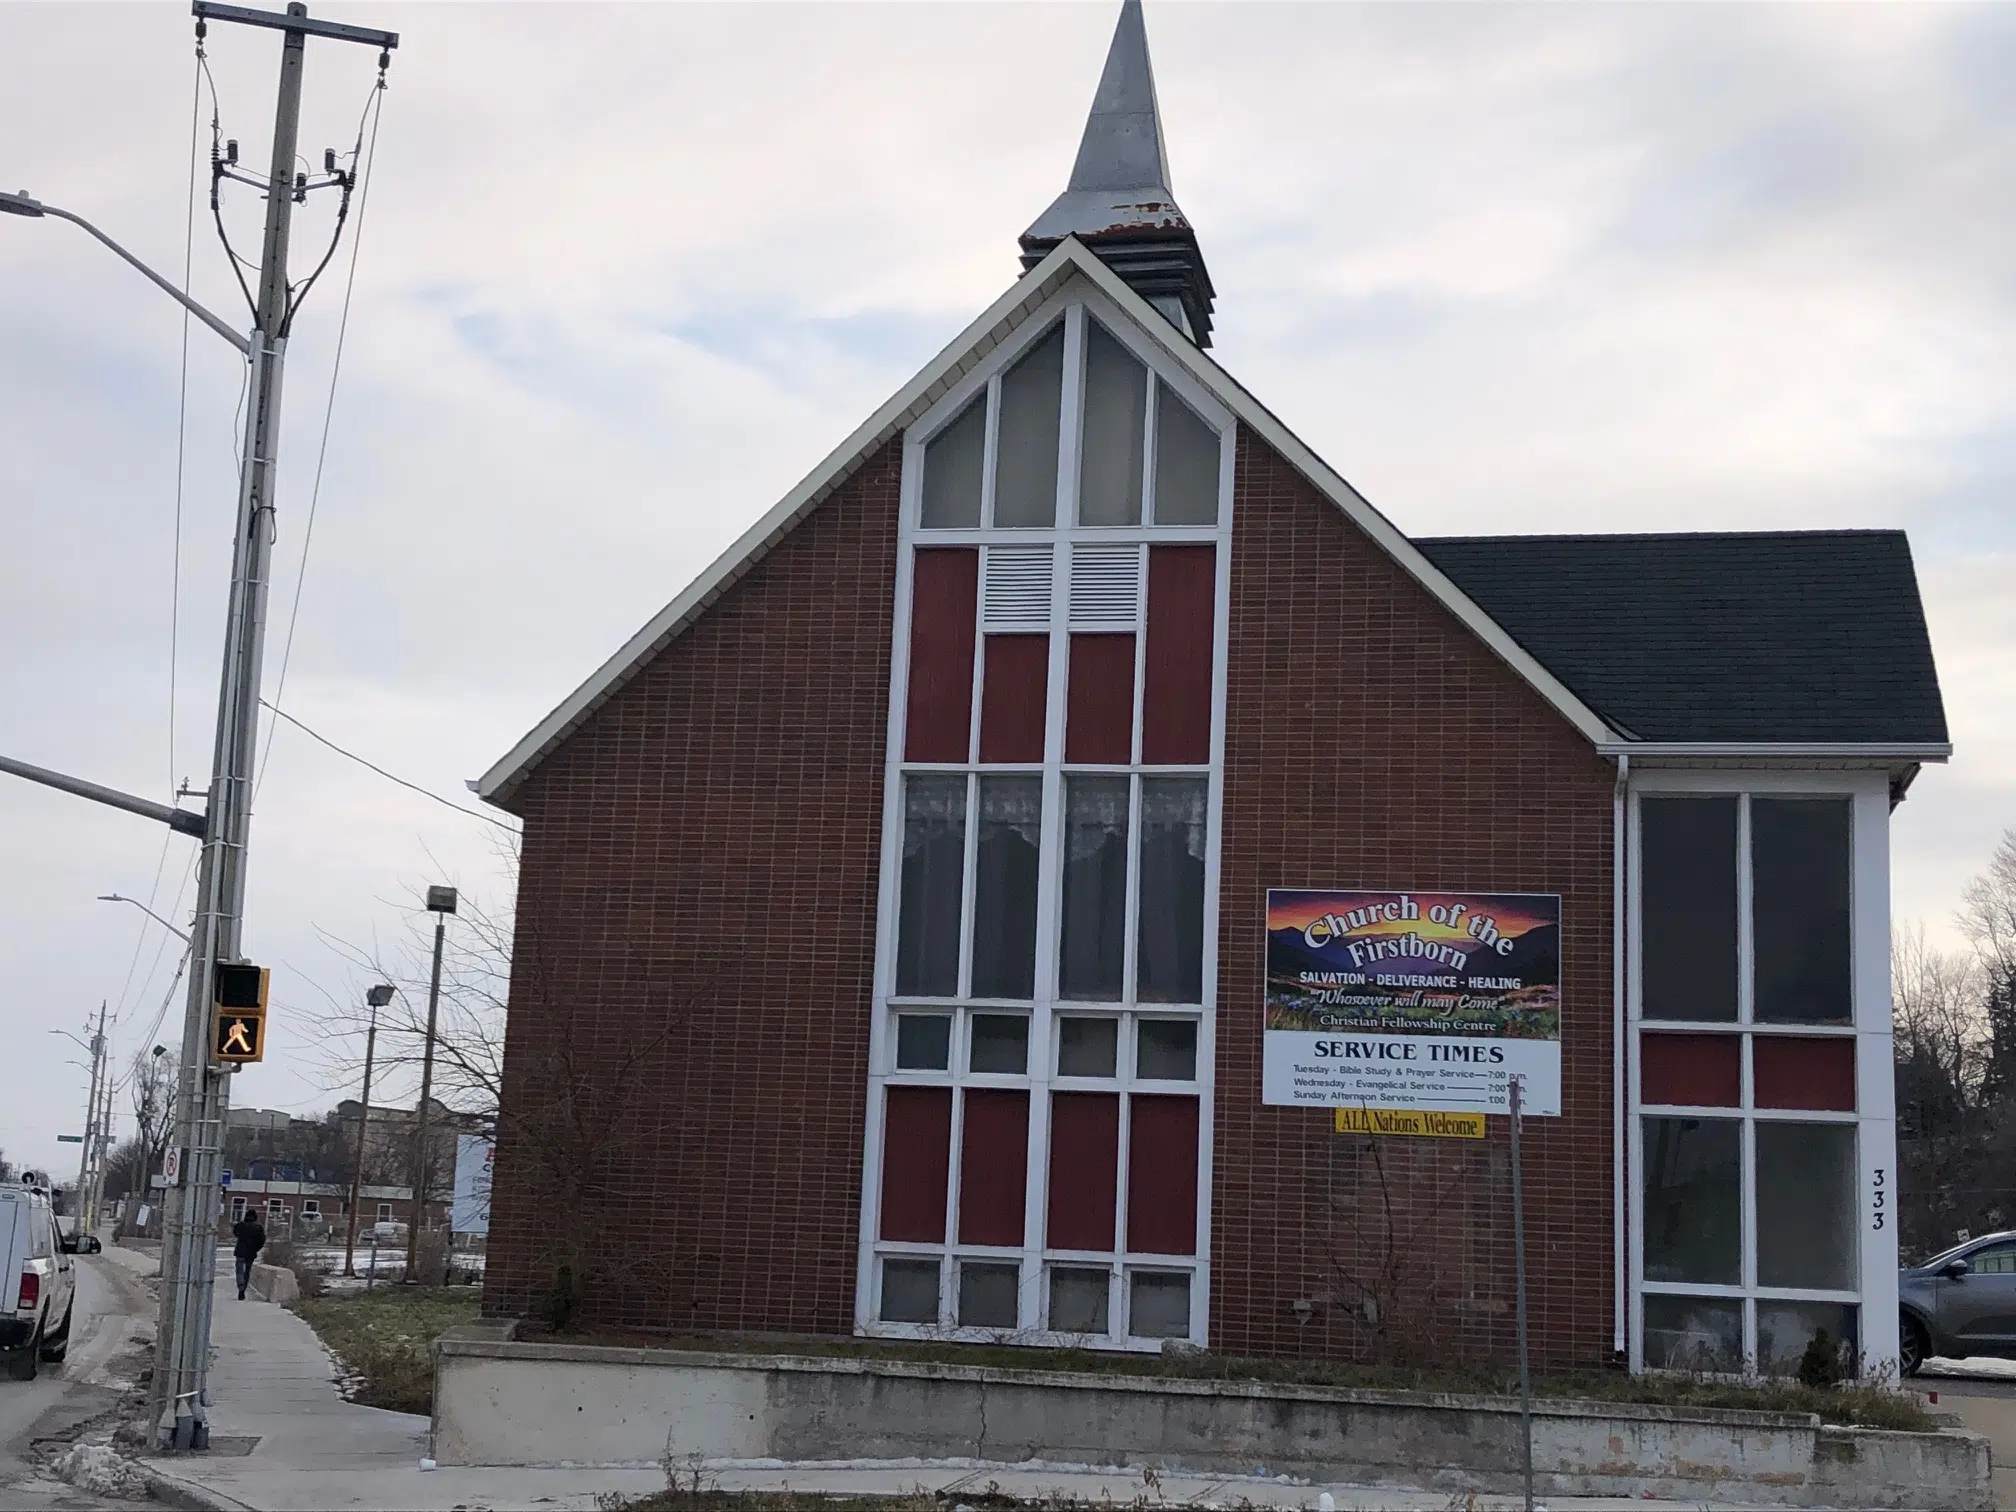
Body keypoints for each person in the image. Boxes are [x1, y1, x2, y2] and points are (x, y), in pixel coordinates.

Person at [232, 1209, 266, 1300]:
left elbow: (235, 1233)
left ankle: (240, 1286)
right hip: (250, 1252)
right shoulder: (258, 1228)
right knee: (247, 1271)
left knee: (239, 1271)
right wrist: (256, 1248)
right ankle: (243, 1290)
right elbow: (262, 1240)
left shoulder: (239, 1225)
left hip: (240, 1251)